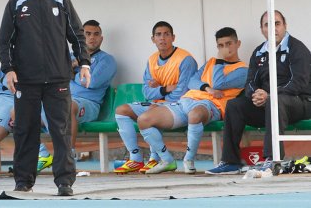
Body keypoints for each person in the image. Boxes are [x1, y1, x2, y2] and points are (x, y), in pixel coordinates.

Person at [0, 0, 91, 196]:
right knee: (25, 130)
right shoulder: (16, 3)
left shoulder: (62, 1)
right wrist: (8, 70)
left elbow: (78, 36)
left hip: (58, 79)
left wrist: (85, 64)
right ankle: (24, 181)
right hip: (26, 81)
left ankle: (64, 182)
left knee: (60, 130)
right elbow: (4, 43)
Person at [206, 10, 311, 175]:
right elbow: (250, 83)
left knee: (275, 101)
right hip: (268, 104)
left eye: (277, 23)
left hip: (299, 103)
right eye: (267, 25)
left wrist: (270, 95)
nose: (273, 28)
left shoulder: (297, 49)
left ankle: (272, 159)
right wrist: (256, 95)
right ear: (262, 29)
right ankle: (230, 162)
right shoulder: (259, 52)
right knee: (234, 105)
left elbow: (299, 83)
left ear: (285, 26)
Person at [138, 27, 248, 174]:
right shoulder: (211, 62)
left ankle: (188, 159)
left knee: (194, 115)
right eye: (221, 46)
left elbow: (218, 83)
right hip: (187, 100)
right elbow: (192, 81)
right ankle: (167, 160)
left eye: (229, 44)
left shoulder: (243, 70)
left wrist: (220, 60)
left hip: (212, 105)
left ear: (238, 44)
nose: (225, 49)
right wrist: (207, 89)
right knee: (144, 119)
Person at [114, 21, 197, 174]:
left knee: (148, 116)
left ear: (173, 37)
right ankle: (136, 159)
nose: (162, 38)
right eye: (158, 35)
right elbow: (147, 91)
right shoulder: (152, 60)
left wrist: (158, 89)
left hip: (180, 106)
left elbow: (181, 93)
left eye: (166, 34)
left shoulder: (185, 59)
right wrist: (165, 88)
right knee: (122, 110)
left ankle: (157, 158)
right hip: (157, 104)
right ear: (153, 39)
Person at [38, 19, 117, 172]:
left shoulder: (107, 60)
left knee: (68, 106)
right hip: (58, 99)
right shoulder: (68, 56)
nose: (92, 38)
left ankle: (68, 156)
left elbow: (91, 82)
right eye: (87, 34)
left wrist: (72, 71)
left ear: (101, 38)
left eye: (96, 34)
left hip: (88, 104)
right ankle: (43, 154)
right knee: (21, 111)